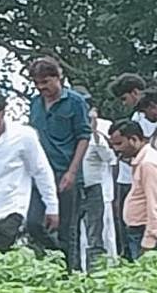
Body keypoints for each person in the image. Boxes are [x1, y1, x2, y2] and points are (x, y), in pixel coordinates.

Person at [0, 87, 59, 253]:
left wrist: (52, 207)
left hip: (12, 206)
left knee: (0, 249)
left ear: (3, 113)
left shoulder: (24, 135)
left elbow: (41, 171)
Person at [28, 57, 92, 271]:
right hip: (40, 173)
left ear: (58, 77)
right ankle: (51, 260)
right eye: (37, 83)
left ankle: (68, 272)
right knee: (33, 222)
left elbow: (84, 136)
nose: (41, 87)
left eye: (45, 82)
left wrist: (72, 172)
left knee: (67, 228)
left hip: (66, 171)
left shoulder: (75, 101)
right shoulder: (35, 103)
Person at [74, 87, 118, 268]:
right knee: (80, 235)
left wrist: (94, 134)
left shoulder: (104, 126)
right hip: (77, 187)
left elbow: (111, 158)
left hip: (100, 188)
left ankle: (107, 270)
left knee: (103, 234)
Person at [109, 120, 157, 261]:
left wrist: (149, 241)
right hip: (138, 229)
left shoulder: (148, 164)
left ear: (134, 139)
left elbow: (154, 204)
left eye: (119, 144)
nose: (116, 150)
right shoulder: (142, 161)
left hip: (144, 231)